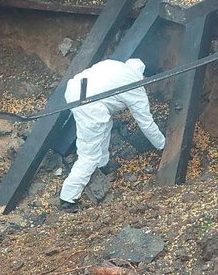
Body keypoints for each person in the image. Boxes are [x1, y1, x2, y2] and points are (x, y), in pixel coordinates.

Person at [59, 59, 166, 213]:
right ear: (144, 76)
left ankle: (103, 164)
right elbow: (146, 123)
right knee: (89, 155)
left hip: (75, 91)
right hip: (90, 104)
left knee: (105, 123)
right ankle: (67, 198)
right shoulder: (135, 85)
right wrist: (163, 145)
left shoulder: (116, 65)